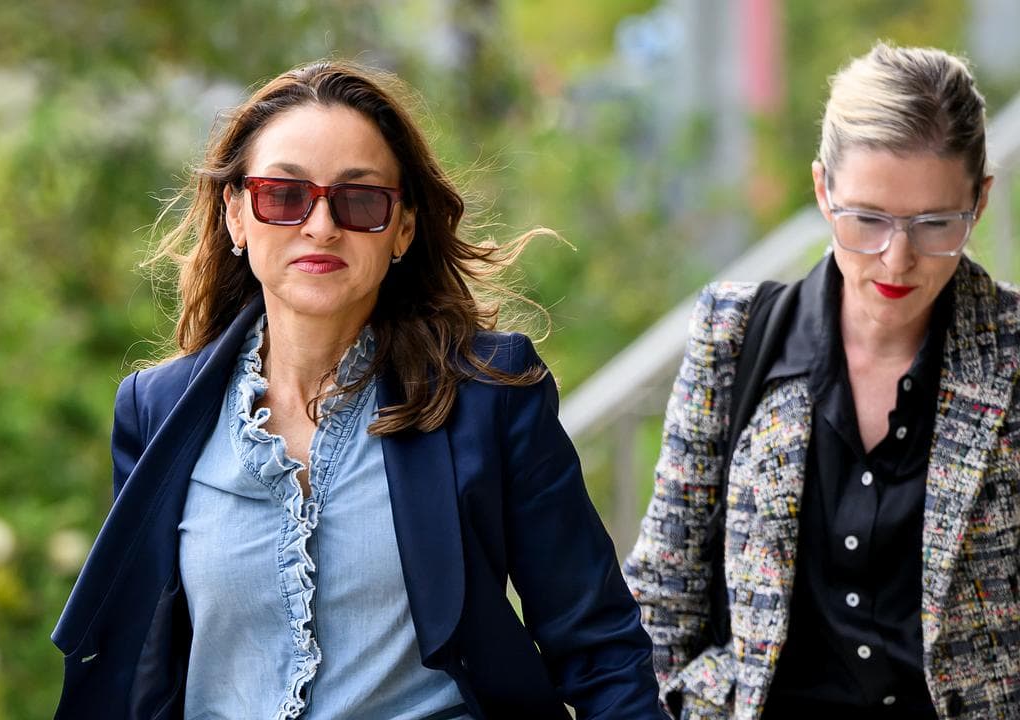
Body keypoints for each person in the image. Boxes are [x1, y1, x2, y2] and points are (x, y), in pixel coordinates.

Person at [51, 60, 663, 720]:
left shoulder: (489, 396)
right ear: (235, 215)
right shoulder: (155, 412)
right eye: (283, 196)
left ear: (402, 227)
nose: (320, 227)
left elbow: (598, 649)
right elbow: (139, 666)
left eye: (360, 200)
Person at [623, 42, 1020, 719]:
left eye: (934, 225)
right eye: (867, 218)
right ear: (822, 191)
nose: (898, 258)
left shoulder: (1011, 353)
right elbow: (663, 596)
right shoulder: (735, 334)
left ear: (979, 203)